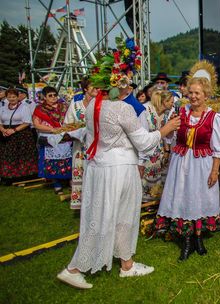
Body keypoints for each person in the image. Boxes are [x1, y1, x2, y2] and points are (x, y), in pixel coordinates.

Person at [57, 85, 182, 290]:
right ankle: (74, 269)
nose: (131, 87)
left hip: (99, 166)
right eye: (127, 83)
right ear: (119, 86)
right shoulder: (122, 109)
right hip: (120, 168)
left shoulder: (93, 106)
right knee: (109, 217)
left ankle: (126, 264)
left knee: (113, 215)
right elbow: (143, 142)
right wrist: (165, 130)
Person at [156, 77, 220, 260]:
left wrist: (214, 171)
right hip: (180, 162)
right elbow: (169, 137)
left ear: (206, 96)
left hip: (202, 164)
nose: (193, 96)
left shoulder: (214, 118)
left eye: (197, 93)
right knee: (182, 196)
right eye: (191, 92)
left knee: (199, 198)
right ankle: (187, 241)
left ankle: (198, 238)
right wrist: (170, 128)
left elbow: (218, 148)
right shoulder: (180, 112)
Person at [64, 78, 98, 209]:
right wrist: (76, 129)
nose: (96, 89)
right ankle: (82, 204)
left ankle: (96, 204)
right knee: (81, 170)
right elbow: (68, 123)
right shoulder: (76, 103)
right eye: (92, 86)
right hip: (80, 146)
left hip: (97, 145)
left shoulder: (102, 102)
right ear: (85, 88)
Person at [32, 86, 72, 194]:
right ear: (44, 97)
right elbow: (36, 124)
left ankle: (71, 181)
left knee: (68, 160)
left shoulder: (64, 106)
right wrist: (52, 129)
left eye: (55, 95)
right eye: (50, 95)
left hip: (65, 137)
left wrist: (65, 128)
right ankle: (57, 184)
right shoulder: (40, 109)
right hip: (49, 138)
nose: (53, 97)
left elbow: (71, 118)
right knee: (52, 162)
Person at [140, 90, 174, 202]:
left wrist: (167, 151)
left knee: (158, 180)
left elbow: (166, 136)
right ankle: (143, 204)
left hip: (159, 152)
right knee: (144, 179)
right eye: (171, 102)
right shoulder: (146, 110)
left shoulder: (165, 114)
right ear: (164, 101)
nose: (172, 104)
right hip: (146, 150)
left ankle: (153, 205)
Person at [0, 88, 37, 182]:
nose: (12, 99)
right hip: (6, 134)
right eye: (9, 97)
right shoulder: (2, 108)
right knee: (8, 155)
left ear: (18, 97)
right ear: (6, 97)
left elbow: (27, 122)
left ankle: (24, 176)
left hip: (21, 134)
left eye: (14, 96)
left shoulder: (24, 107)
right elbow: (0, 122)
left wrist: (14, 130)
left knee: (22, 155)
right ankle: (8, 176)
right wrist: (3, 130)